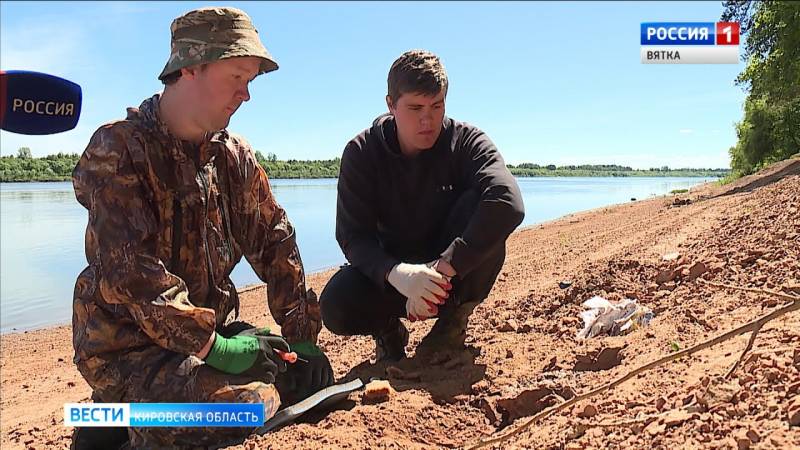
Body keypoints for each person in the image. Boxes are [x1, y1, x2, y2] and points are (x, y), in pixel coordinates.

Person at [69, 7, 333, 449]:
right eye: (237, 77)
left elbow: (276, 240)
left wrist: (300, 334)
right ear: (190, 67)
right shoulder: (119, 149)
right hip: (128, 352)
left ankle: (149, 411)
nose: (245, 95)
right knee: (247, 405)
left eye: (250, 81)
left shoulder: (232, 157)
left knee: (285, 365)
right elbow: (133, 276)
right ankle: (113, 421)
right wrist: (218, 349)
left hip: (203, 340)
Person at [320, 49, 525, 362]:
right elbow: (352, 236)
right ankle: (388, 329)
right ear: (391, 104)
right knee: (335, 304)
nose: (427, 119)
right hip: (394, 273)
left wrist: (440, 271)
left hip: (450, 269)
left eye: (436, 105)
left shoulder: (467, 141)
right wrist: (399, 275)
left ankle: (451, 324)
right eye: (414, 107)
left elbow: (508, 201)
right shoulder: (362, 152)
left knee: (487, 214)